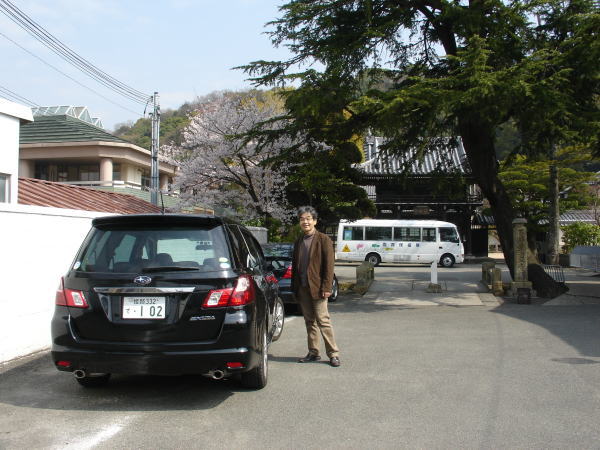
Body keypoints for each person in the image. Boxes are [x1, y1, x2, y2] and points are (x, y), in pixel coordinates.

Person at [291, 206, 340, 367]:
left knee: (323, 321)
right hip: (303, 287)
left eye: (308, 219)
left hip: (318, 288)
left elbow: (329, 266)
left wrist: (327, 288)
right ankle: (313, 352)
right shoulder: (298, 241)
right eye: (302, 219)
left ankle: (333, 354)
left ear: (315, 221)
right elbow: (295, 266)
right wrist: (294, 288)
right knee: (309, 321)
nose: (305, 221)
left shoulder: (323, 239)